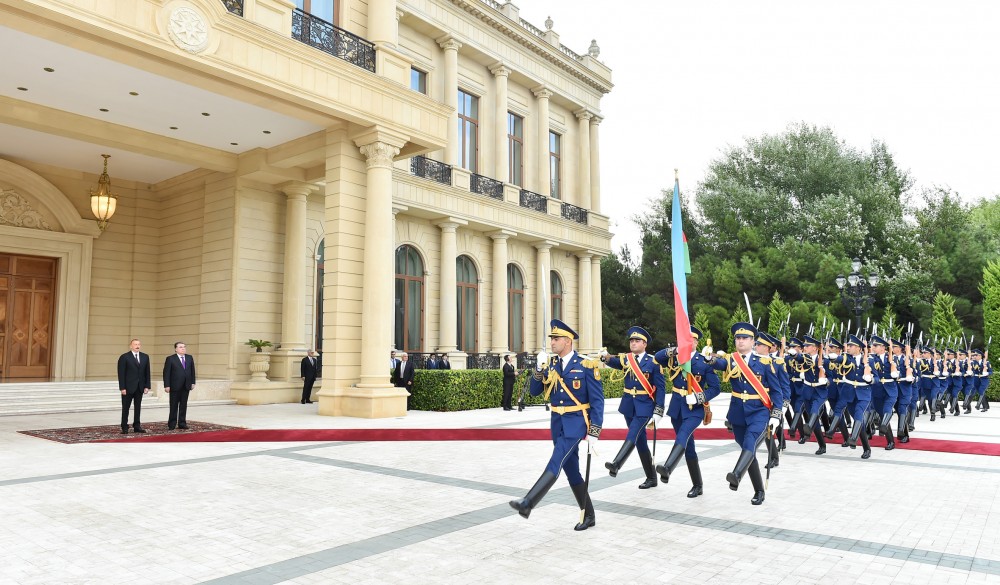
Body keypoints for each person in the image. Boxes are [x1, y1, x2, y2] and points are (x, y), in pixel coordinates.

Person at [509, 319, 603, 531]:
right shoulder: (551, 364)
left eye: (556, 338)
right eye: (551, 338)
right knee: (571, 471)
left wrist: (595, 431)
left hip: (577, 423)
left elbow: (598, 401)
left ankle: (528, 502)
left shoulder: (586, 365)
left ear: (568, 341)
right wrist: (539, 370)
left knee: (557, 460)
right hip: (557, 422)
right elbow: (534, 392)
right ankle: (589, 515)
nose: (552, 342)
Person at [712, 322, 782, 505]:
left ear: (753, 341)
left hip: (759, 412)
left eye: (745, 338)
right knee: (747, 450)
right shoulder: (730, 360)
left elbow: (776, 391)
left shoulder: (765, 363)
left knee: (750, 443)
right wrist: (707, 358)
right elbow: (717, 363)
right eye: (738, 338)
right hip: (737, 415)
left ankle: (736, 474)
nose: (741, 341)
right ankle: (759, 490)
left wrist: (776, 413)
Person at [652, 326, 720, 498]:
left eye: (692, 340)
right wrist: (676, 349)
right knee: (689, 448)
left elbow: (715, 388)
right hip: (677, 407)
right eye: (685, 339)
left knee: (682, 435)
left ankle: (668, 467)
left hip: (694, 409)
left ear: (697, 342)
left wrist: (699, 397)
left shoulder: (703, 361)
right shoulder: (676, 358)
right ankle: (698, 485)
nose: (688, 342)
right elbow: (658, 358)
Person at [601, 326, 665, 490]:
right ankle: (651, 478)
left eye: (637, 341)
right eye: (631, 341)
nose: (633, 343)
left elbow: (661, 388)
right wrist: (605, 358)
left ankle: (616, 464)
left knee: (633, 434)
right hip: (629, 406)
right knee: (640, 442)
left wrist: (659, 409)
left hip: (645, 406)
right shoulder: (626, 359)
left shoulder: (653, 362)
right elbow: (614, 361)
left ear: (645, 344)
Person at [117, 338, 151, 434]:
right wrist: (122, 387)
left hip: (140, 387)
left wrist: (147, 386)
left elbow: (147, 372)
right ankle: (124, 427)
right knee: (126, 408)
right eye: (135, 344)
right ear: (131, 346)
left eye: (139, 344)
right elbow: (121, 374)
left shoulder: (145, 357)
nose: (137, 346)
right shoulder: (124, 357)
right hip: (128, 388)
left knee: (138, 407)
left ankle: (137, 426)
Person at [163, 341, 196, 430]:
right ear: (176, 349)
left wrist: (193, 382)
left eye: (184, 347)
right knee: (173, 405)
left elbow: (192, 371)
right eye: (181, 347)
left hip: (186, 385)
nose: (183, 348)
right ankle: (172, 424)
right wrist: (167, 385)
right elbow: (166, 373)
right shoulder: (170, 359)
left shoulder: (189, 358)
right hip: (174, 385)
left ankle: (182, 423)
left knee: (183, 405)